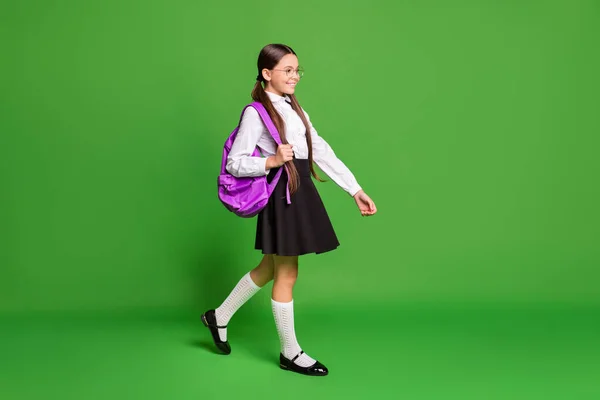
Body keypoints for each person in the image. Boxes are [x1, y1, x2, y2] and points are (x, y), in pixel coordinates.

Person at [202, 43, 377, 377]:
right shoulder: (256, 112)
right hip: (282, 193)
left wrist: (354, 189)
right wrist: (270, 160)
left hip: (299, 190)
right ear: (267, 74)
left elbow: (320, 149)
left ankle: (218, 317)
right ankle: (290, 353)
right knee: (287, 273)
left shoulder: (295, 109)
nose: (295, 76)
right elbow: (235, 163)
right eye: (288, 70)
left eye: (298, 70)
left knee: (269, 267)